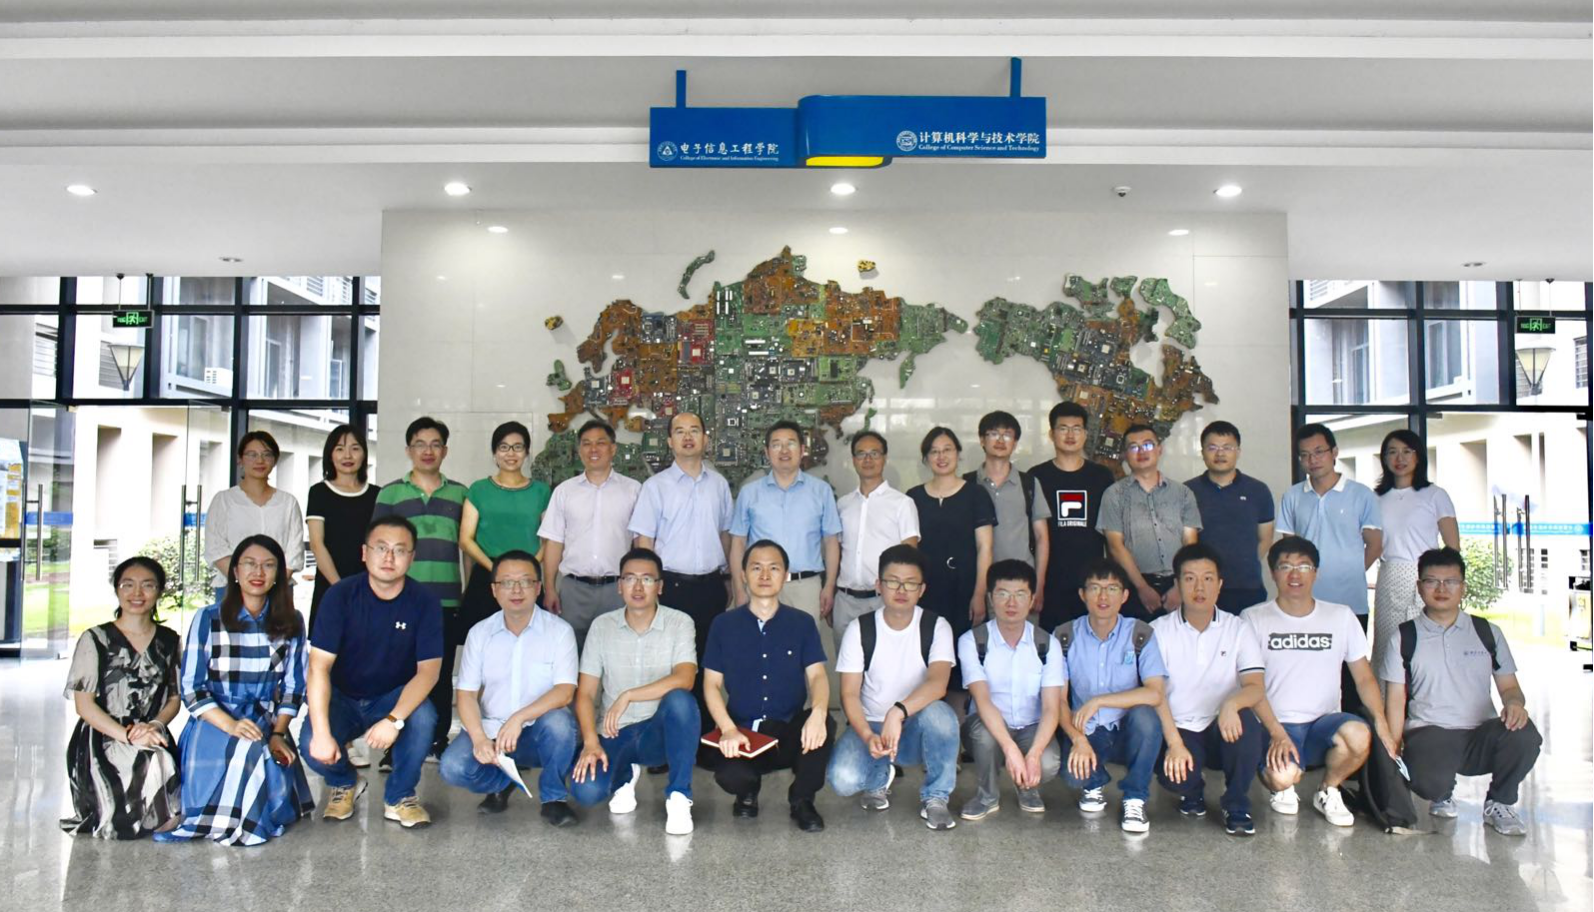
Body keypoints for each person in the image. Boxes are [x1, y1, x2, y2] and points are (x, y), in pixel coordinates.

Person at [156, 536, 315, 845]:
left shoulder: (292, 621)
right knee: (248, 749)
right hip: (215, 719)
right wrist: (231, 725)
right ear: (235, 571)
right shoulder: (208, 618)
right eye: (250, 564)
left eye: (269, 565)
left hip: (266, 721)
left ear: (279, 574)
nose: (259, 572)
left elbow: (294, 686)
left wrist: (278, 733)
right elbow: (191, 687)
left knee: (263, 754)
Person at [1381, 547, 1538, 836]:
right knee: (1428, 783)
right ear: (1419, 587)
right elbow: (1395, 698)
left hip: (1481, 733)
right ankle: (1441, 793)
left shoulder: (1487, 632)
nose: (1441, 589)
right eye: (1432, 581)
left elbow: (1509, 687)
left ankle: (1500, 802)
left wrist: (1514, 704)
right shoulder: (1404, 636)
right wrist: (1394, 748)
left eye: (1451, 581)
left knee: (1524, 735)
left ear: (1462, 587)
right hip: (1430, 731)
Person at [1245, 536, 1398, 827]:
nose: (1295, 574)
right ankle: (1283, 785)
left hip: (1324, 723)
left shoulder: (1340, 616)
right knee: (1282, 777)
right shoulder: (1253, 618)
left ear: (1316, 572)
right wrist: (1276, 732)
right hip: (1276, 724)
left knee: (1359, 734)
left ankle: (1328, 789)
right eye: (1285, 566)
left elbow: (1364, 677)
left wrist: (1381, 722)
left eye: (1304, 566)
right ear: (1273, 573)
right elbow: (1249, 684)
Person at [301, 516, 443, 828]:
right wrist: (323, 734)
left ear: (412, 557)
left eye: (399, 550)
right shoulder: (339, 596)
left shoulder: (425, 602)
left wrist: (394, 719)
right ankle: (345, 782)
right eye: (381, 548)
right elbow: (318, 666)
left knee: (424, 716)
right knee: (311, 743)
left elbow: (429, 672)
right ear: (364, 553)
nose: (389, 557)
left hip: (391, 697)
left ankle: (399, 796)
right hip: (342, 697)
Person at [439, 550, 581, 827]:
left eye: (525, 581)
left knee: (560, 724)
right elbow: (466, 694)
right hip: (492, 729)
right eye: (506, 582)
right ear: (494, 590)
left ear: (538, 588)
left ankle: (553, 797)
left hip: (539, 731)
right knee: (452, 767)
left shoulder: (559, 631)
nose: (516, 590)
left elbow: (565, 691)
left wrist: (519, 718)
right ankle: (503, 782)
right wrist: (479, 739)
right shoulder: (479, 633)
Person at [703, 540, 834, 833]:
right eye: (756, 568)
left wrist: (818, 712)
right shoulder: (724, 625)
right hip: (741, 731)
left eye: (773, 568)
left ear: (785, 575)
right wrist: (727, 729)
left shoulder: (802, 623)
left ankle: (802, 800)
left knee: (824, 723)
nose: (764, 575)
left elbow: (817, 676)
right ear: (743, 574)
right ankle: (747, 792)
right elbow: (711, 684)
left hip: (788, 729)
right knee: (731, 776)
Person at [826, 545, 961, 830]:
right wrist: (866, 734)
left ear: (922, 590)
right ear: (879, 585)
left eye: (910, 583)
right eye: (892, 581)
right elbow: (848, 693)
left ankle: (936, 797)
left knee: (941, 716)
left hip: (915, 728)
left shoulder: (936, 626)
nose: (901, 590)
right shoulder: (860, 629)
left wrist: (897, 712)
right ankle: (878, 778)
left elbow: (938, 683)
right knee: (843, 780)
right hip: (872, 727)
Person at [569, 548, 700, 835]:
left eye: (647, 579)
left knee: (681, 700)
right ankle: (625, 776)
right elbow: (586, 694)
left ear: (660, 586)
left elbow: (685, 678)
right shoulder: (602, 626)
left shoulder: (679, 622)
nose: (638, 587)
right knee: (586, 792)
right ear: (619, 586)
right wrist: (590, 742)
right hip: (614, 733)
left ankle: (679, 796)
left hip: (658, 734)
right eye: (629, 579)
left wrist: (629, 695)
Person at [1149, 543, 1268, 836]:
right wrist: (1174, 743)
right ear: (1177, 584)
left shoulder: (1237, 628)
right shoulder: (1158, 630)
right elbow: (1156, 694)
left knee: (1247, 722)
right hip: (1179, 728)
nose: (1199, 587)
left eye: (1208, 578)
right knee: (1176, 778)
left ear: (1220, 584)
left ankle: (1236, 803)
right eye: (1190, 579)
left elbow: (1255, 687)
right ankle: (1193, 790)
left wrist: (1231, 704)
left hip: (1221, 727)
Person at [61, 556, 181, 839]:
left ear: (159, 591)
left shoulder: (170, 640)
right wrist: (128, 735)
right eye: (128, 585)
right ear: (117, 589)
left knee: (159, 761)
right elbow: (84, 706)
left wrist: (154, 726)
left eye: (147, 585)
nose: (137, 593)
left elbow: (174, 699)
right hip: (102, 738)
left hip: (151, 731)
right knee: (151, 765)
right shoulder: (95, 639)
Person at [372, 416, 468, 761]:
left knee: (438, 673)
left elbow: (467, 548)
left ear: (445, 450)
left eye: (435, 444)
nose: (428, 451)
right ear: (408, 450)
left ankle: (436, 740)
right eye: (420, 444)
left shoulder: (461, 494)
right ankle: (393, 743)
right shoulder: (390, 493)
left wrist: (467, 593)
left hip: (445, 599)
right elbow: (376, 547)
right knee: (397, 672)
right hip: (400, 600)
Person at [1057, 558, 1168, 834]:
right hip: (1087, 730)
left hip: (1127, 730)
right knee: (1073, 776)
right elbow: (1057, 700)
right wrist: (1078, 740)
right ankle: (1094, 782)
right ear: (1082, 594)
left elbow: (1155, 693)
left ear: (1125, 595)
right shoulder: (1065, 635)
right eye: (1095, 588)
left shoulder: (1140, 633)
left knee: (1146, 717)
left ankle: (1135, 797)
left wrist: (1099, 701)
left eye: (1112, 589)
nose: (1103, 597)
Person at [1278, 423, 1383, 712]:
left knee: (1351, 679)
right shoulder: (1292, 496)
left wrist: (1349, 572)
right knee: (1305, 674)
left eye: (1319, 452)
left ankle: (1353, 735)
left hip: (1350, 601)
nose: (1312, 460)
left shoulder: (1361, 495)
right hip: (1303, 604)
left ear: (1334, 452)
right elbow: (1289, 550)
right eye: (1305, 455)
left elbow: (1374, 545)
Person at [955, 559, 1063, 821]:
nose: (1011, 603)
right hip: (987, 724)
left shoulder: (1047, 644)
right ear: (991, 598)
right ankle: (987, 796)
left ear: (1032, 599)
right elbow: (982, 700)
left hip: (1030, 727)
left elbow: (1051, 707)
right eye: (1003, 594)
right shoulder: (973, 641)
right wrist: (1011, 750)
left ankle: (1027, 787)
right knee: (985, 737)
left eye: (1020, 595)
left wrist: (1034, 754)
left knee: (1048, 763)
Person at [730, 421, 842, 672]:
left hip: (806, 587)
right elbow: (738, 543)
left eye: (790, 444)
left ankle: (802, 700)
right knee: (759, 654)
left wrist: (829, 586)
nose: (783, 450)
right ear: (767, 452)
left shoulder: (820, 491)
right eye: (776, 445)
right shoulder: (750, 493)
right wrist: (739, 589)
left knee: (804, 658)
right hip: (760, 585)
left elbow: (831, 541)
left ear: (802, 449)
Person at [630, 412, 733, 679]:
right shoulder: (655, 487)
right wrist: (650, 585)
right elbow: (644, 542)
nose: (688, 437)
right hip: (670, 588)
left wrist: (729, 579)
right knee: (671, 663)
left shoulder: (719, 485)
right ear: (669, 442)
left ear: (705, 439)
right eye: (680, 431)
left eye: (694, 430)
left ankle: (706, 708)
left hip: (712, 586)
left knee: (709, 664)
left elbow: (725, 535)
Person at [539, 419, 641, 650]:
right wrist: (550, 588)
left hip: (618, 589)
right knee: (570, 655)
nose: (593, 449)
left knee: (617, 654)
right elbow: (554, 543)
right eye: (586, 443)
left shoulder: (633, 490)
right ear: (579, 450)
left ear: (613, 449)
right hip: (574, 590)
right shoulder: (564, 491)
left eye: (600, 443)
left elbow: (641, 544)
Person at [906, 427, 995, 692]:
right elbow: (909, 551)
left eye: (947, 450)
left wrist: (979, 594)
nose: (941, 456)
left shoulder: (976, 494)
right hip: (927, 592)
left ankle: (960, 715)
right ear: (925, 459)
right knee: (926, 656)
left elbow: (985, 548)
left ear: (958, 454)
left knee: (963, 660)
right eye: (934, 452)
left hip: (964, 590)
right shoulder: (913, 497)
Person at [1370, 429, 1459, 688]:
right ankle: (1387, 704)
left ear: (1418, 456)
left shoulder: (1435, 495)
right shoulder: (1375, 498)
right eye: (1392, 452)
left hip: (1427, 578)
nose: (1400, 458)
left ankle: (1428, 701)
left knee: (1427, 641)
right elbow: (1371, 543)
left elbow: (1453, 546)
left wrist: (1448, 583)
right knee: (1389, 644)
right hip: (1389, 576)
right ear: (1384, 458)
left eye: (1407, 451)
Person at [1097, 424, 1202, 620]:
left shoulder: (1183, 493)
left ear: (1159, 449)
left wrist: (1181, 586)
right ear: (1124, 455)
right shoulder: (1113, 495)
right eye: (1133, 447)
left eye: (1147, 445)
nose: (1141, 452)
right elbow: (1115, 547)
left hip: (1179, 583)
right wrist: (1142, 588)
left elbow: (1190, 543)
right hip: (1134, 586)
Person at [1028, 402, 1116, 631]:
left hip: (1093, 581)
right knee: (1052, 643)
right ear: (1051, 434)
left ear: (1085, 434)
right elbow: (1034, 536)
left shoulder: (1101, 476)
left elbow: (1111, 534)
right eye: (1063, 428)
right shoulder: (1036, 476)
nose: (1070, 435)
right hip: (1051, 582)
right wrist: (1037, 584)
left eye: (1076, 429)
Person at [833, 429, 921, 655]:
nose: (868, 459)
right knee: (847, 665)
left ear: (885, 458)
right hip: (845, 600)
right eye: (861, 454)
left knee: (883, 663)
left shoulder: (902, 503)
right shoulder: (843, 504)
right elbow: (837, 551)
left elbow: (909, 553)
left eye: (874, 453)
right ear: (853, 460)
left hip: (883, 600)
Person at [203, 430, 305, 605]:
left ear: (275, 460)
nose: (260, 460)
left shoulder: (288, 502)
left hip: (279, 589)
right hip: (231, 589)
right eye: (252, 454)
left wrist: (270, 583)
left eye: (267, 454)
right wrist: (245, 583)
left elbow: (294, 551)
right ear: (240, 459)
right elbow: (215, 548)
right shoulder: (224, 500)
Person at [1184, 420, 1274, 614]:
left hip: (1247, 586)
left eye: (1227, 447)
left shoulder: (1258, 490)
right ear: (1202, 452)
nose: (1220, 454)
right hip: (1201, 589)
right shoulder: (1187, 492)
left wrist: (1244, 562)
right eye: (1212, 448)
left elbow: (1265, 538)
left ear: (1238, 452)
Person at [306, 423, 380, 636]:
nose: (347, 455)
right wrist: (340, 588)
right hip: (331, 587)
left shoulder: (377, 494)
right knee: (330, 648)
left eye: (355, 448)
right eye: (340, 449)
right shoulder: (319, 492)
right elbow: (317, 544)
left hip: (370, 589)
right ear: (330, 454)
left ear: (364, 454)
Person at [967, 411, 1050, 593]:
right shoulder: (967, 484)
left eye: (1007, 435)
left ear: (1015, 443)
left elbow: (1041, 537)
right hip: (977, 582)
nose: (1000, 440)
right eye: (993, 434)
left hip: (1021, 582)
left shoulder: (1029, 483)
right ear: (982, 440)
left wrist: (1039, 585)